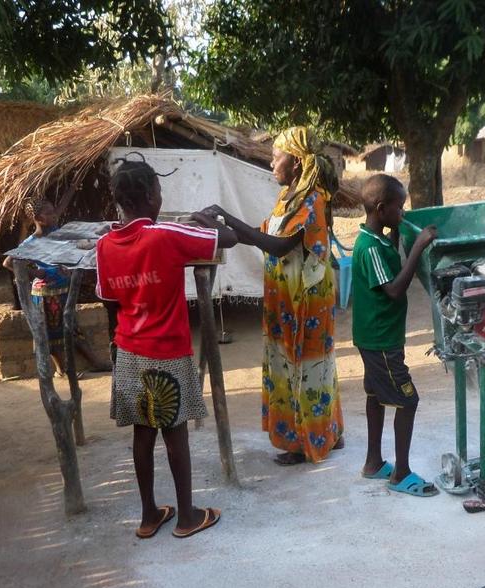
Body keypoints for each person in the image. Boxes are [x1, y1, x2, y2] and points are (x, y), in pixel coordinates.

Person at [96, 157, 237, 538]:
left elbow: (109, 298)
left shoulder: (105, 245)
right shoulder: (166, 236)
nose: (161, 195)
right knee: (176, 435)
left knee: (142, 434)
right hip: (168, 352)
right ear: (149, 197)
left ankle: (148, 516)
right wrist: (208, 223)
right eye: (158, 190)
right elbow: (229, 240)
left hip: (129, 351)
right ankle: (188, 516)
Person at [204, 127, 344, 465]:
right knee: (301, 363)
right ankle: (326, 432)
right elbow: (262, 234)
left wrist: (227, 216)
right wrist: (225, 225)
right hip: (286, 294)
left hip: (305, 297)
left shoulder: (313, 199)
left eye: (276, 156)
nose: (271, 163)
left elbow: (280, 245)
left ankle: (304, 441)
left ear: (295, 162)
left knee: (306, 364)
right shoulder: (289, 198)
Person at [352, 174, 439, 496]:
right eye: (399, 208)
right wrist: (417, 248)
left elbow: (387, 254)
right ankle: (401, 473)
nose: (402, 213)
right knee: (408, 400)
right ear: (380, 208)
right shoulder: (369, 248)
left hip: (374, 336)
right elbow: (394, 289)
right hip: (381, 340)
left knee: (375, 395)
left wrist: (398, 232)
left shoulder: (374, 240)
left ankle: (373, 462)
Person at [3, 198, 110, 375]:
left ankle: (95, 362)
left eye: (53, 212)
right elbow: (8, 262)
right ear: (38, 218)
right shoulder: (32, 242)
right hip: (46, 293)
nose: (54, 216)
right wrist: (35, 274)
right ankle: (63, 369)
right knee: (52, 332)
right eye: (49, 213)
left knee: (71, 327)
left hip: (62, 289)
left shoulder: (56, 233)